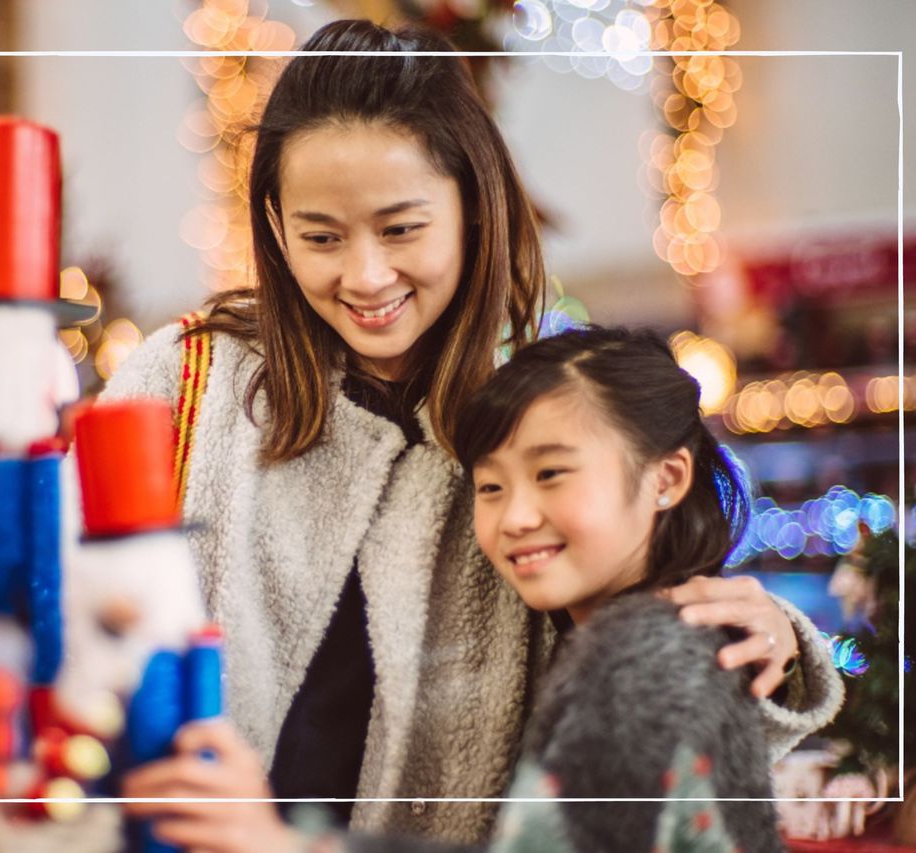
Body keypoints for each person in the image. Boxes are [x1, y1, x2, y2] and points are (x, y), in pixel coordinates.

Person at [100, 18, 841, 844]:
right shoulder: (182, 383)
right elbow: (58, 619)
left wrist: (763, 638)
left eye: (402, 228)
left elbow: (641, 725)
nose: (366, 275)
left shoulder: (535, 407)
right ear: (275, 228)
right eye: (321, 237)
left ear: (472, 209)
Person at [120, 327, 843, 852]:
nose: (515, 516)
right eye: (491, 486)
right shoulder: (630, 636)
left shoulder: (645, 653)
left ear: (668, 477)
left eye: (552, 473)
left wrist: (281, 841)